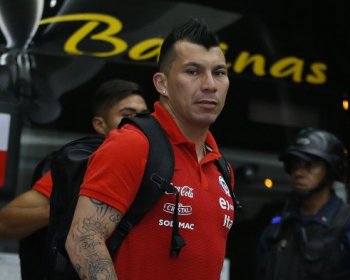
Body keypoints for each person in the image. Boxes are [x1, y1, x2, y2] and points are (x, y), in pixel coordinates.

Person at [65, 17, 234, 280]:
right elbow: (83, 238)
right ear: (161, 84)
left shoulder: (222, 167)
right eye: (193, 71)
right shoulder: (132, 144)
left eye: (219, 73)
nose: (210, 85)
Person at [0, 78, 148, 279]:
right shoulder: (82, 166)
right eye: (127, 115)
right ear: (100, 124)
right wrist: (70, 210)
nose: (137, 122)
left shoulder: (159, 167)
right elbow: (6, 223)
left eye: (144, 116)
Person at [256, 128, 350, 280]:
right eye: (295, 165)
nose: (298, 173)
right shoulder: (279, 224)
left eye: (310, 165)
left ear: (330, 170)